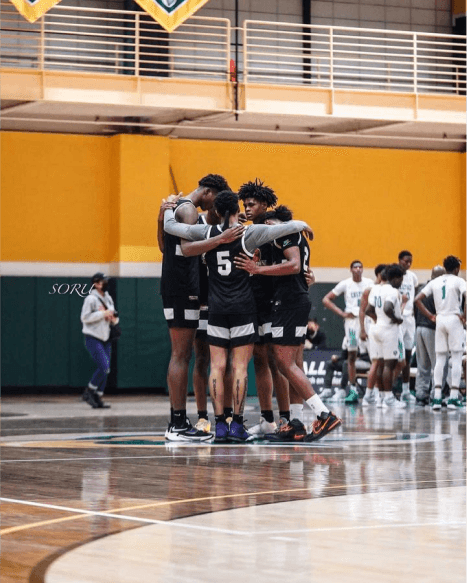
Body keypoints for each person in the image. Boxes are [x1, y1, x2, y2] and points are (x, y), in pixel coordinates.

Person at [165, 191, 315, 442]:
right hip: (244, 308)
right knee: (240, 369)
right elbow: (279, 230)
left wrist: (169, 207)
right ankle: (237, 424)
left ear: (217, 212)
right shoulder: (249, 233)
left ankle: (220, 425)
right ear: (236, 210)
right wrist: (301, 224)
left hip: (216, 309)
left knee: (217, 367)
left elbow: (174, 231)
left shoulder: (207, 233)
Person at [234, 204, 342, 443]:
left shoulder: (285, 233)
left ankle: (324, 414)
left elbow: (293, 265)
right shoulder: (282, 235)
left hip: (289, 302)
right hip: (287, 301)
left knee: (284, 363)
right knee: (290, 364)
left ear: (275, 222)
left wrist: (256, 269)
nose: (267, 230)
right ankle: (295, 422)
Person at [159, 174, 242, 442]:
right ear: (207, 192)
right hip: (182, 288)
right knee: (181, 355)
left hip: (176, 287)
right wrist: (220, 239)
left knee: (182, 355)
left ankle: (178, 422)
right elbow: (186, 249)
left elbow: (164, 246)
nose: (215, 207)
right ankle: (178, 424)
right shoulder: (188, 211)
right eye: (216, 199)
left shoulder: (176, 208)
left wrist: (159, 218)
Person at [414, 255, 467, 410]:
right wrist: (464, 315)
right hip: (454, 319)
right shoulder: (459, 281)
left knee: (440, 359)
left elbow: (417, 299)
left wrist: (430, 315)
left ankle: (436, 398)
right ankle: (452, 398)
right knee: (456, 357)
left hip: (440, 320)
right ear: (457, 268)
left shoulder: (435, 281)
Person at [322, 261, 373, 403]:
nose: (358, 269)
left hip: (367, 321)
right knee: (351, 356)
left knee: (374, 355)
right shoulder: (345, 283)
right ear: (351, 270)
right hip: (351, 323)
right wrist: (342, 313)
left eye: (360, 267)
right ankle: (353, 389)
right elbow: (326, 299)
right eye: (355, 267)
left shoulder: (369, 283)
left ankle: (374, 392)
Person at [366, 264, 406, 409]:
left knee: (379, 364)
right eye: (401, 279)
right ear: (395, 278)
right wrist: (396, 319)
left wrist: (378, 319)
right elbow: (388, 307)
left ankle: (381, 398)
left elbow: (368, 310)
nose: (401, 282)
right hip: (389, 329)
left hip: (376, 328)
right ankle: (389, 398)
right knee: (389, 365)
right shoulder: (393, 291)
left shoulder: (375, 289)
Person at [80, 273, 118, 409]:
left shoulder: (108, 298)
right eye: (103, 281)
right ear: (96, 283)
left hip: (106, 336)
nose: (106, 283)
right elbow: (84, 317)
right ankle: (89, 391)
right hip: (93, 336)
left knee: (106, 369)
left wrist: (113, 319)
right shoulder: (90, 299)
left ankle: (97, 396)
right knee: (104, 366)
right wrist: (103, 314)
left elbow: (114, 316)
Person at [414, 265, 446, 405]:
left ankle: (420, 395)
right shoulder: (437, 289)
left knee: (422, 365)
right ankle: (435, 395)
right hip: (432, 329)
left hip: (419, 329)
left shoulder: (421, 288)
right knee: (439, 364)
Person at [357, 264, 386, 407]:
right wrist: (362, 330)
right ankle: (370, 394)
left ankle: (377, 393)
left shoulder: (386, 289)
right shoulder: (369, 290)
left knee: (381, 362)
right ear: (379, 275)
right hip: (372, 327)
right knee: (376, 361)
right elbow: (363, 311)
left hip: (381, 327)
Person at [397, 250, 418, 403]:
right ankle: (386, 392)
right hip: (397, 319)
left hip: (410, 319)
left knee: (408, 355)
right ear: (399, 260)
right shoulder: (393, 274)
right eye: (405, 261)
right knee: (396, 358)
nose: (408, 264)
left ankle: (405, 391)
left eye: (410, 261)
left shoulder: (413, 277)